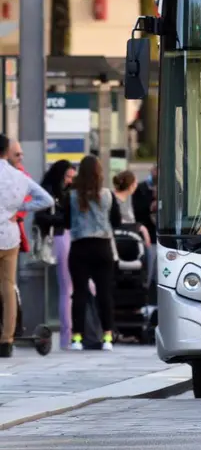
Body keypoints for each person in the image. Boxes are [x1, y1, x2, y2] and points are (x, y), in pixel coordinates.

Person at [0, 134, 54, 357]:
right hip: (9, 237)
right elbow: (46, 200)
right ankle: (6, 340)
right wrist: (19, 208)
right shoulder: (18, 176)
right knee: (8, 287)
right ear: (7, 151)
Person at [65, 155, 123, 351]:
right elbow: (116, 221)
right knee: (104, 293)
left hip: (80, 247)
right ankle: (107, 337)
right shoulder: (108, 195)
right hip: (102, 247)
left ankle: (77, 338)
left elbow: (66, 222)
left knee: (79, 293)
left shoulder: (72, 196)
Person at [34, 160, 77, 349]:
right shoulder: (49, 191)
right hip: (59, 237)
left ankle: (71, 334)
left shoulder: (65, 191)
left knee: (71, 287)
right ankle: (67, 337)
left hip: (65, 236)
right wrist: (63, 218)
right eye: (67, 176)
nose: (70, 181)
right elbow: (40, 217)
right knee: (67, 288)